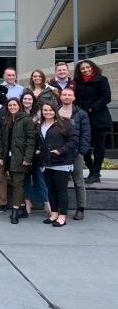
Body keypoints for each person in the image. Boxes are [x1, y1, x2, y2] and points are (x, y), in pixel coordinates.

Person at [36, 102, 78, 227]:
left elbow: (74, 140)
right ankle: (54, 213)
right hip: (46, 162)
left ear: (55, 111)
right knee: (50, 190)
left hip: (61, 162)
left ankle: (62, 216)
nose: (47, 112)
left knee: (61, 190)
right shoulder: (39, 125)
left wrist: (61, 150)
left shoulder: (64, 123)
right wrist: (38, 150)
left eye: (50, 110)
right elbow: (40, 141)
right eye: (45, 110)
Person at [74, 59, 112, 184]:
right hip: (84, 119)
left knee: (99, 147)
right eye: (82, 68)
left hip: (99, 118)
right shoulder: (78, 83)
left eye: (87, 67)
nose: (85, 70)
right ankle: (91, 171)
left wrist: (91, 108)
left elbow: (106, 97)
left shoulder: (101, 79)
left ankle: (96, 173)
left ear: (93, 67)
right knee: (84, 147)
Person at [0, 98, 35, 224]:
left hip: (21, 157)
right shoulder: (7, 120)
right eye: (10, 105)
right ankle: (23, 209)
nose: (12, 107)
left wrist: (27, 158)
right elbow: (2, 140)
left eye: (14, 105)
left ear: (19, 106)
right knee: (15, 182)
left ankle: (15, 213)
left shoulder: (26, 119)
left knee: (17, 184)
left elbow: (31, 140)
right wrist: (0, 157)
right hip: (9, 158)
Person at [58, 87, 91, 220]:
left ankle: (80, 208)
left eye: (69, 95)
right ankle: (61, 209)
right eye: (64, 95)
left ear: (74, 98)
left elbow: (86, 134)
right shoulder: (56, 112)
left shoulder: (81, 114)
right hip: (61, 153)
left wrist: (81, 152)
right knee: (61, 183)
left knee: (78, 182)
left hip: (75, 153)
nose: (66, 97)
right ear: (60, 97)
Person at [20, 90, 50, 218]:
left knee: (39, 178)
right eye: (25, 99)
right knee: (25, 179)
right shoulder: (19, 114)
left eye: (29, 99)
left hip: (37, 150)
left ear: (33, 101)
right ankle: (27, 204)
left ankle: (47, 204)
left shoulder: (39, 114)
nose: (27, 101)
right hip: (22, 150)